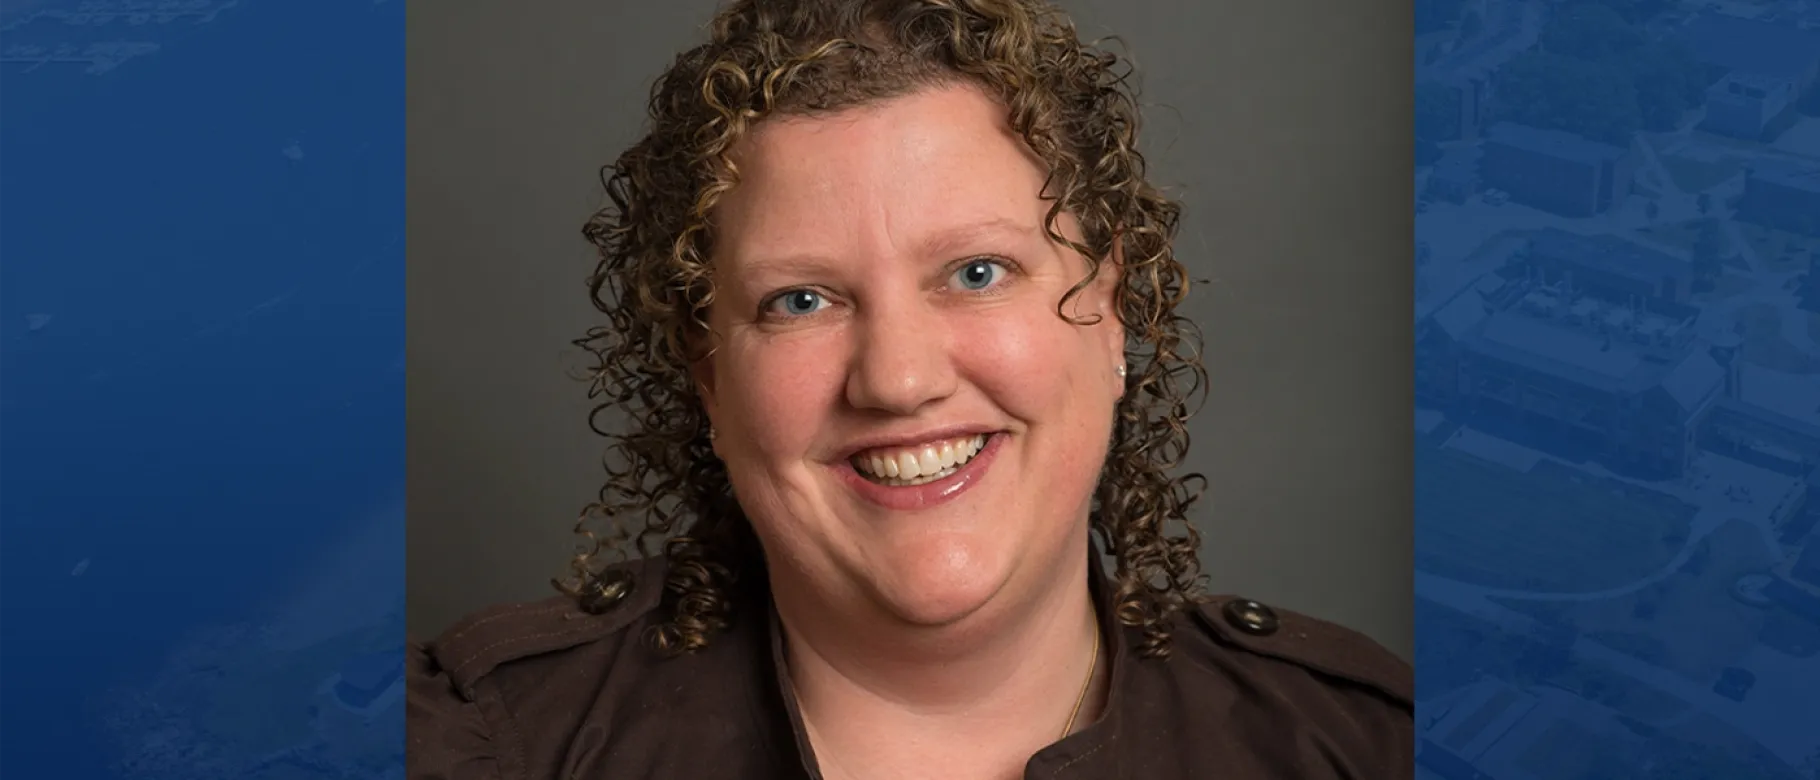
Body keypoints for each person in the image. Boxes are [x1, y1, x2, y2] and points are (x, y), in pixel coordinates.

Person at [407, 1, 1413, 778]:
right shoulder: (487, 746)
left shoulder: (1359, 746)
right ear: (709, 377)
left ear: (1108, 310)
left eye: (975, 272)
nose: (896, 378)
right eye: (800, 299)